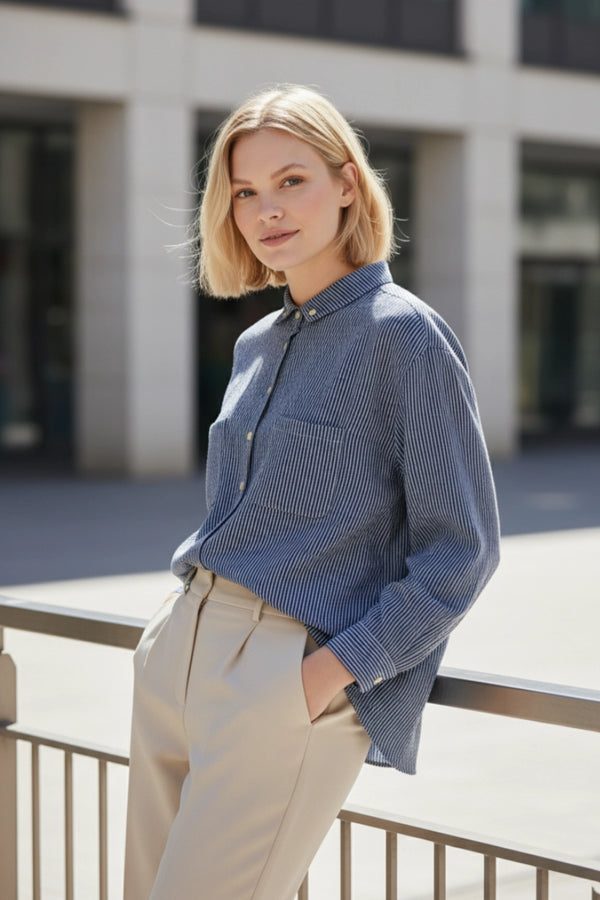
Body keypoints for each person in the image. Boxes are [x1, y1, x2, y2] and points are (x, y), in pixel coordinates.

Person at [123, 84, 500, 900]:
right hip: (180, 655)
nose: (268, 210)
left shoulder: (404, 336)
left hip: (283, 676)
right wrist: (171, 646)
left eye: (291, 180)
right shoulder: (256, 344)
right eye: (246, 192)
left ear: (346, 185)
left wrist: (328, 676)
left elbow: (461, 551)